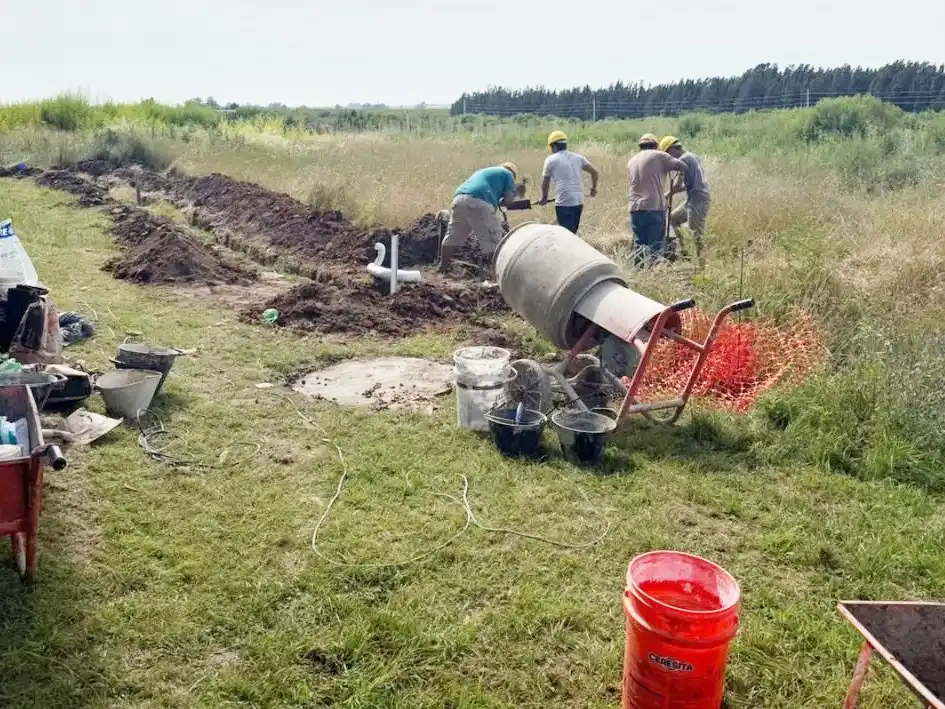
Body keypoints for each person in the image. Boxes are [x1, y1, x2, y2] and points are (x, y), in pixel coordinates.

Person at [439, 162, 520, 272]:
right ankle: (493, 274)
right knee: (493, 242)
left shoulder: (486, 172)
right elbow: (508, 200)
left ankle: (443, 268)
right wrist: (513, 194)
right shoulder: (508, 174)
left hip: (459, 199)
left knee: (452, 237)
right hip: (478, 202)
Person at [626, 133, 687, 265]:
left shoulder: (632, 160)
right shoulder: (659, 155)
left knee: (639, 243)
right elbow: (682, 165)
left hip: (635, 208)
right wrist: (678, 181)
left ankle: (638, 270)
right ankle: (653, 271)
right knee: (655, 244)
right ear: (656, 145)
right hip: (653, 206)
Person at [660, 135, 710, 268]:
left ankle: (701, 264)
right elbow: (686, 185)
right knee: (673, 219)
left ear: (672, 149)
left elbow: (677, 185)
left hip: (698, 199)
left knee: (696, 233)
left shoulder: (684, 159)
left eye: (667, 154)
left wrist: (666, 195)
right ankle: (685, 251)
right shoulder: (692, 156)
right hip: (693, 197)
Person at [538, 130, 599, 234]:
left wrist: (544, 198)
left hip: (564, 201)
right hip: (578, 200)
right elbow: (595, 173)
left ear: (553, 146)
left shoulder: (550, 160)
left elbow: (545, 182)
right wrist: (593, 189)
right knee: (572, 232)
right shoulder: (578, 158)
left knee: (566, 234)